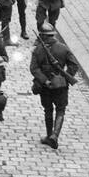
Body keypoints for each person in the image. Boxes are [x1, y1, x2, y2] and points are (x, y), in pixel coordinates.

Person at [31, 22, 80, 150]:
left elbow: (34, 69)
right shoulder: (63, 48)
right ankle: (55, 135)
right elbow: (74, 65)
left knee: (48, 110)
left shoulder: (38, 50)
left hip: (45, 86)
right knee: (60, 110)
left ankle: (49, 136)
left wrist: (45, 80)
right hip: (61, 87)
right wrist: (64, 78)